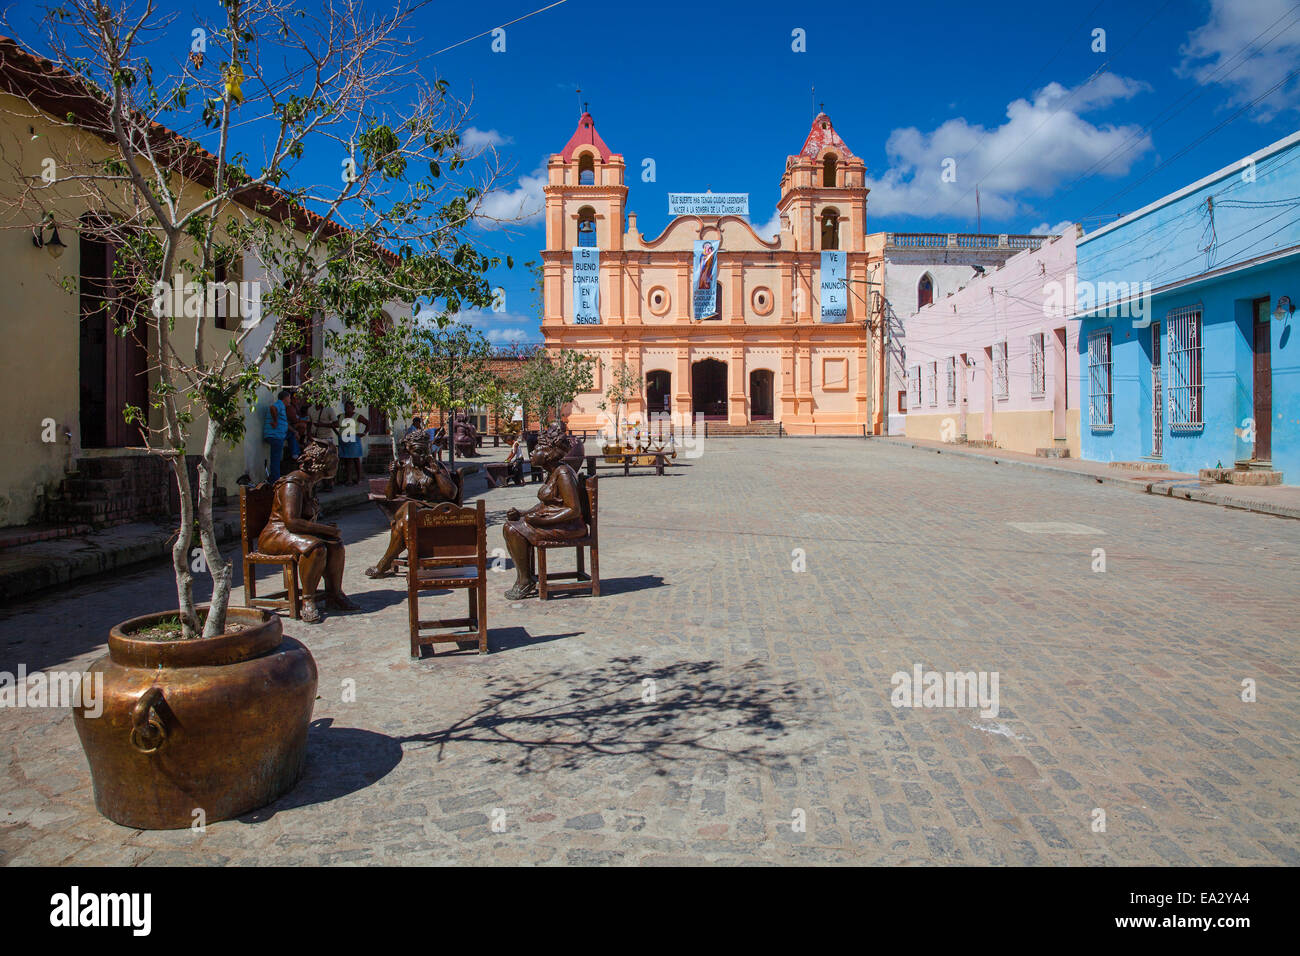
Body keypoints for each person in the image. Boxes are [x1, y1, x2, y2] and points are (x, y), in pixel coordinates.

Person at [257, 441, 359, 624]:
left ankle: (334, 594)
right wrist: (325, 529)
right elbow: (292, 522)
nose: (337, 464)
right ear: (321, 463)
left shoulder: (310, 482)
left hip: (291, 533)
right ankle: (308, 599)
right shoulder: (293, 483)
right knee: (315, 548)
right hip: (276, 534)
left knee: (336, 545)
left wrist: (327, 531)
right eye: (333, 460)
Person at [502, 424, 590, 600]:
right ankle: (524, 578)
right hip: (558, 521)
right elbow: (546, 505)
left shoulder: (563, 473)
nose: (532, 453)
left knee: (512, 530)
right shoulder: (553, 472)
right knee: (511, 526)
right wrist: (522, 513)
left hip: (570, 525)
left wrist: (542, 521)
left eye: (537, 449)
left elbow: (573, 510)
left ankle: (525, 581)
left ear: (549, 453)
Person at [364, 430, 462, 578]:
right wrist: (392, 475)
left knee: (403, 520)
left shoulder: (436, 466)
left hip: (436, 510)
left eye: (426, 451)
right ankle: (397, 562)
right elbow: (390, 496)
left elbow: (452, 494)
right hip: (411, 511)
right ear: (408, 450)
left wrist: (437, 474)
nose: (423, 456)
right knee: (406, 517)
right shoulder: (404, 468)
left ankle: (385, 564)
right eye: (418, 451)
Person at [338, 400, 368, 486]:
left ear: (353, 408)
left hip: (353, 439)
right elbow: (334, 424)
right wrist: (338, 434)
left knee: (355, 459)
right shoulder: (341, 416)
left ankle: (357, 478)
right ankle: (348, 479)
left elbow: (367, 423)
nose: (347, 409)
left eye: (349, 408)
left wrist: (364, 433)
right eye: (345, 408)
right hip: (343, 440)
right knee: (347, 459)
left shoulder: (357, 416)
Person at [263, 389, 290, 482]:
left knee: (275, 458)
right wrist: (275, 421)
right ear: (285, 398)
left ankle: (274, 478)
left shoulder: (282, 406)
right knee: (276, 459)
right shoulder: (280, 404)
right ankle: (275, 480)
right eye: (289, 398)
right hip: (275, 436)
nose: (289, 400)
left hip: (277, 435)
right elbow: (272, 408)